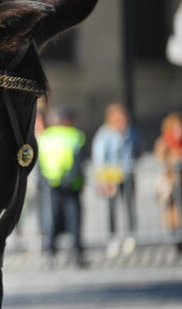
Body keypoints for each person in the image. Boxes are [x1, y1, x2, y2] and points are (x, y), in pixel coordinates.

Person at [37, 106, 86, 267]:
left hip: (50, 183)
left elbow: (40, 161)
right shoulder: (76, 136)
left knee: (51, 219)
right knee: (74, 221)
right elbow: (79, 161)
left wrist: (41, 180)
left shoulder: (46, 136)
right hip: (72, 185)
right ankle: (76, 253)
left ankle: (50, 252)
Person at [91, 103, 142, 254]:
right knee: (112, 209)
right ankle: (113, 238)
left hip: (127, 173)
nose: (121, 121)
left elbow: (138, 148)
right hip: (111, 175)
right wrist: (102, 179)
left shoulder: (131, 132)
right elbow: (99, 157)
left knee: (129, 206)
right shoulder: (105, 134)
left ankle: (131, 236)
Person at [154, 112, 182, 232]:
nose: (179, 130)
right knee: (172, 209)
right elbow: (161, 159)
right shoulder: (164, 142)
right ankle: (175, 235)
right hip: (171, 182)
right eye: (176, 127)